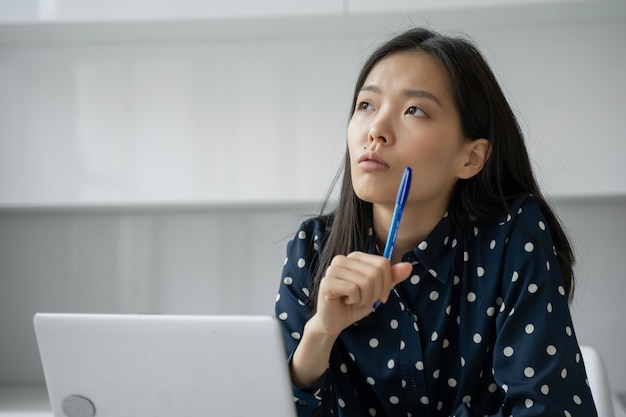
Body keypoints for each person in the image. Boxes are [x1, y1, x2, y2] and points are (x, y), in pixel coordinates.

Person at [274, 27, 597, 417]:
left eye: (415, 110)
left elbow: (548, 409)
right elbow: (271, 406)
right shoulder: (311, 250)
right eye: (366, 105)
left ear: (471, 157)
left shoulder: (514, 235)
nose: (376, 130)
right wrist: (321, 332)